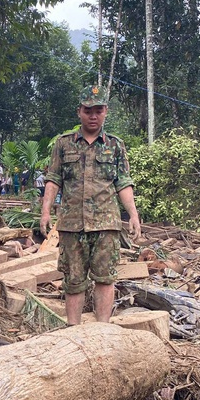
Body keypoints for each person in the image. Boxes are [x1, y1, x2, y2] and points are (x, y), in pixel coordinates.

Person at [40, 85, 141, 326]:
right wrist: (45, 211)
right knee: (73, 280)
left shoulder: (115, 146)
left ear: (106, 111)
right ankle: (73, 330)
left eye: (98, 111)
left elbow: (123, 183)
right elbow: (53, 179)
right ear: (79, 112)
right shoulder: (63, 145)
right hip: (72, 224)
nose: (93, 116)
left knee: (105, 279)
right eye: (88, 111)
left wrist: (133, 215)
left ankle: (102, 331)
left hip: (106, 224)